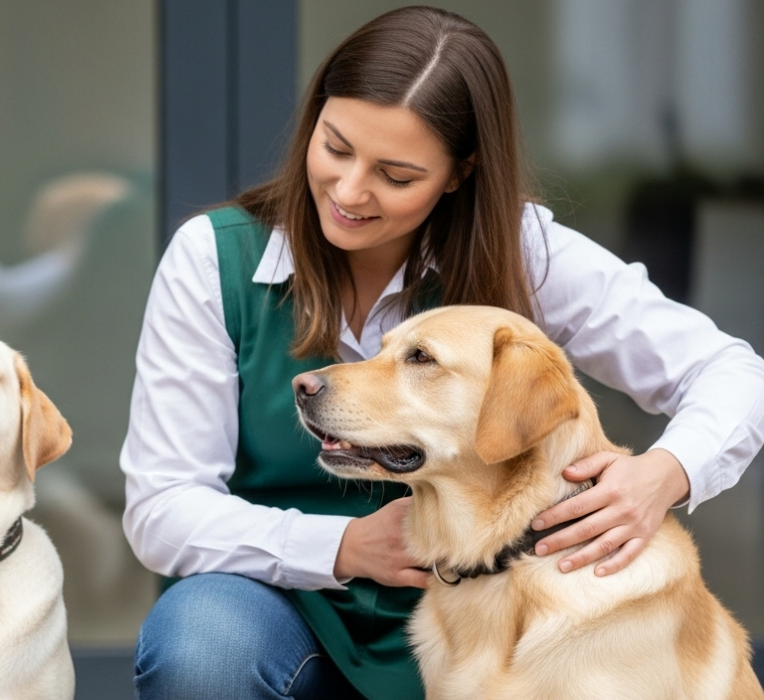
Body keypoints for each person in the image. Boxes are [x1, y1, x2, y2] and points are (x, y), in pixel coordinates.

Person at [121, 6, 764, 700]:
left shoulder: (523, 252)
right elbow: (163, 506)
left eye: (395, 175)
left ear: (460, 173)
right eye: (335, 147)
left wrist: (666, 473)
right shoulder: (211, 259)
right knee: (202, 645)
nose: (349, 191)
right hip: (286, 608)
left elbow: (731, 371)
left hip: (497, 610)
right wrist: (339, 547)